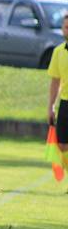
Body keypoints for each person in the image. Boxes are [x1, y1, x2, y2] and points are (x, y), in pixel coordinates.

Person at [48, 13, 68, 155]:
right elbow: (55, 81)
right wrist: (51, 106)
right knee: (61, 145)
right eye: (66, 27)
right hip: (65, 103)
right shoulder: (58, 52)